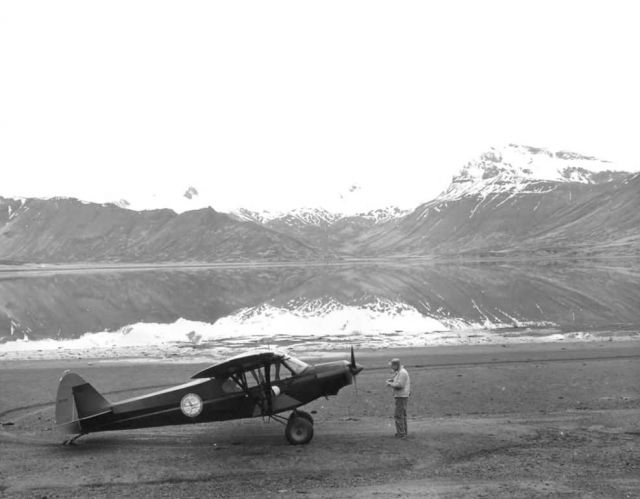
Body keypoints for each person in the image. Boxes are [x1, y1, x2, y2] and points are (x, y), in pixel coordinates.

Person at [386, 358, 410, 438]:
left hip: (401, 396)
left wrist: (390, 384)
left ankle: (401, 434)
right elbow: (399, 382)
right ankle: (403, 432)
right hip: (401, 396)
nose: (391, 368)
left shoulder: (402, 372)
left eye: (392, 366)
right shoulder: (400, 372)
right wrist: (392, 381)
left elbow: (400, 385)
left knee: (398, 415)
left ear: (396, 365)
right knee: (402, 415)